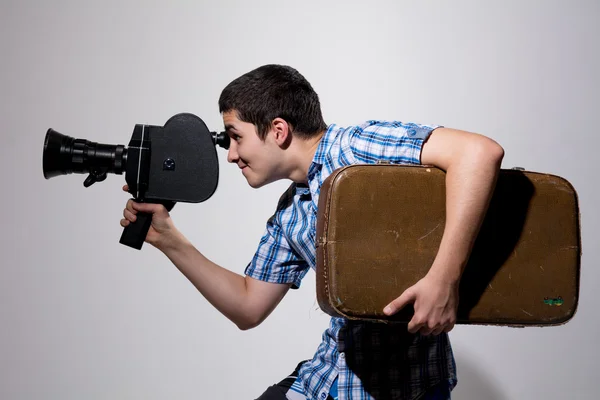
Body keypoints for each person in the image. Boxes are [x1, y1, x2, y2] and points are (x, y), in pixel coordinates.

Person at [120, 64, 504, 399]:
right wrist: (169, 240)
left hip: (408, 388)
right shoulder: (292, 211)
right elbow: (248, 306)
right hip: (325, 382)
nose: (231, 154)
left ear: (279, 130)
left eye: (235, 136)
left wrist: (443, 280)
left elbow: (478, 153)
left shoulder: (355, 148)